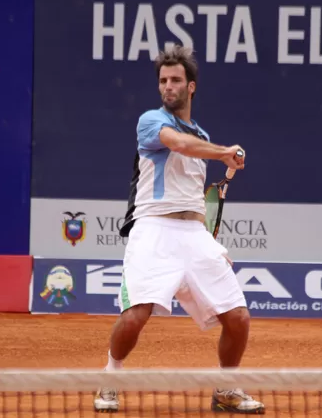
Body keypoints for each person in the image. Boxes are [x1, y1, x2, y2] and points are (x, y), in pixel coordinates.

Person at [93, 45, 265, 415]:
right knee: (136, 314)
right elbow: (178, 144)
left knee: (237, 318)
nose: (167, 87)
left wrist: (208, 241)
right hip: (153, 229)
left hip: (193, 234)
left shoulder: (201, 133)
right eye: (162, 81)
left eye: (175, 80)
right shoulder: (152, 122)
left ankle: (226, 388)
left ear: (191, 87)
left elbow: (192, 193)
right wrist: (221, 153)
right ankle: (111, 376)